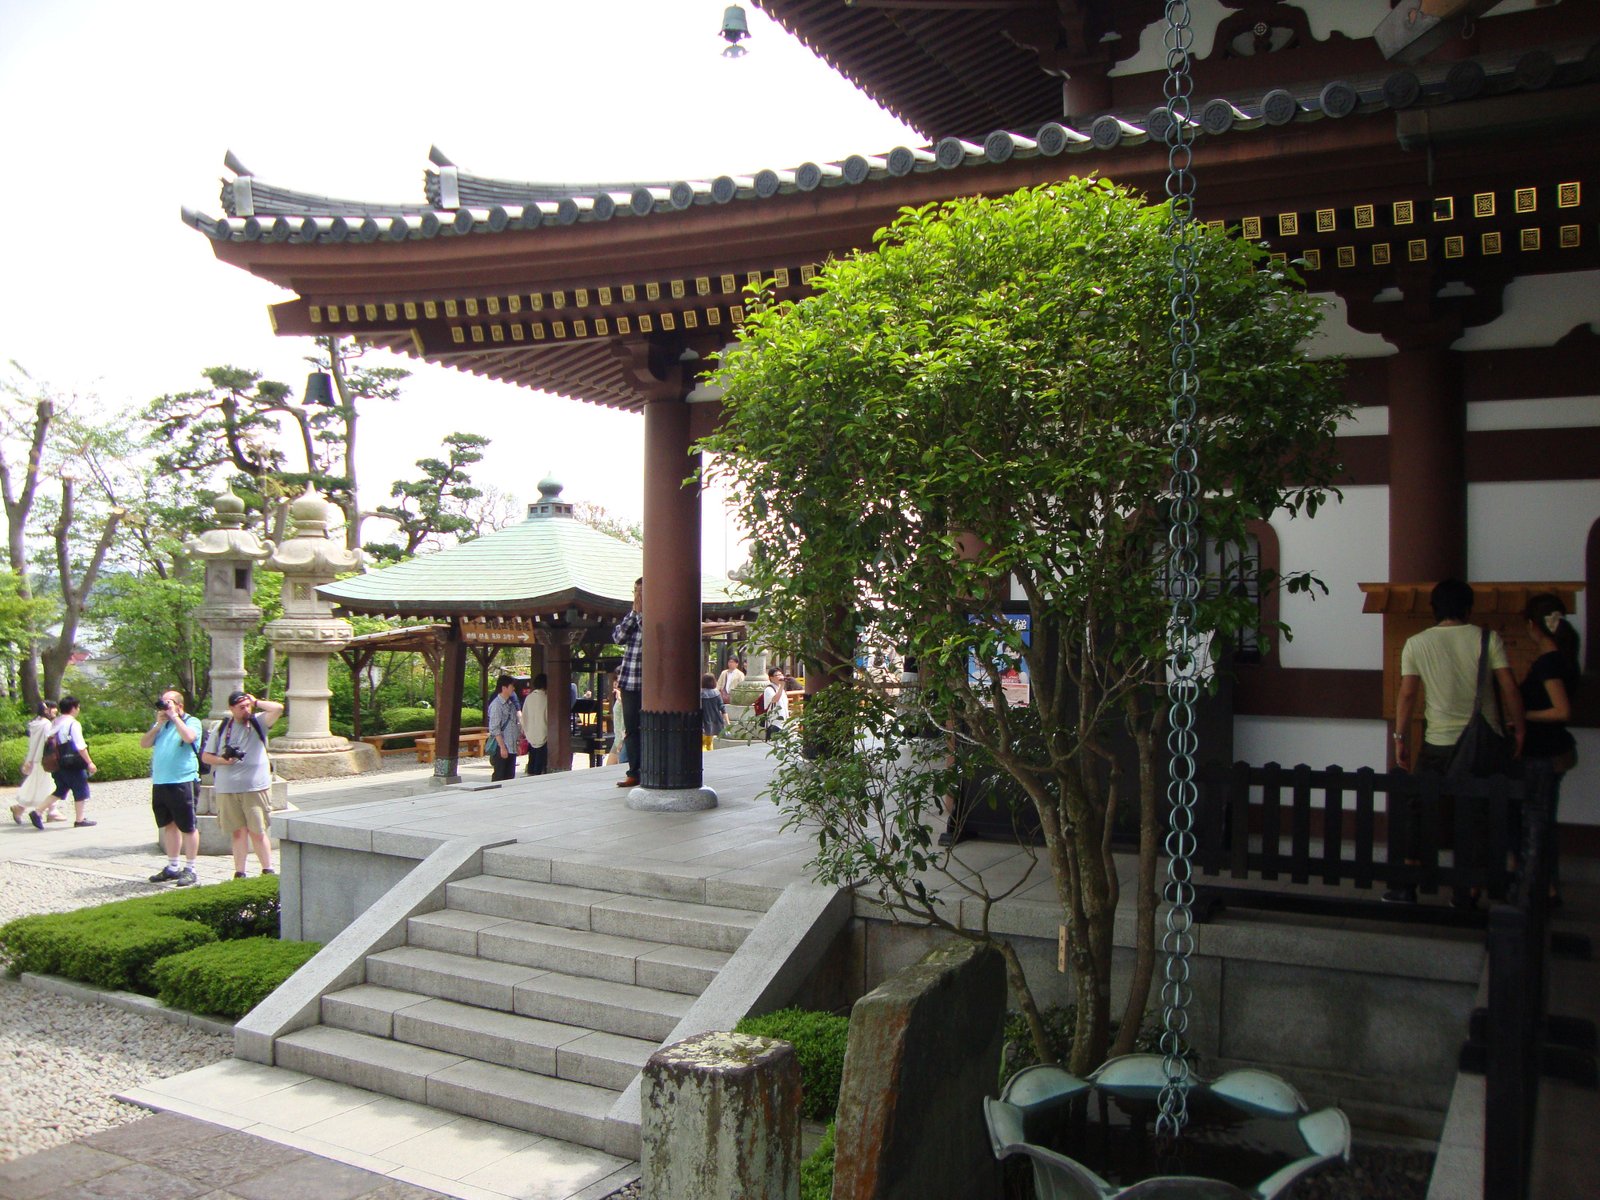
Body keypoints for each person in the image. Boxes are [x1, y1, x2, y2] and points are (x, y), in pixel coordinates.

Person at [1389, 579, 1524, 904]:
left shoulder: (1416, 643)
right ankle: (1470, 889)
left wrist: (1400, 737)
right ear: (1468, 607)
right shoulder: (1487, 639)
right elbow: (1508, 686)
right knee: (1479, 813)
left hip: (1437, 741)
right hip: (1482, 740)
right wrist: (1519, 728)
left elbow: (1407, 695)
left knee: (1419, 809)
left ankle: (1408, 883)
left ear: (1434, 609)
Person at [1518, 593, 1580, 905]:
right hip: (1554, 750)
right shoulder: (1565, 658)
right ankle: (1546, 885)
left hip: (1542, 750)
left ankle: (1537, 887)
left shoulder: (1548, 663)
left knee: (1534, 821)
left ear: (1533, 626)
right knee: (1542, 820)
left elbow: (1561, 710)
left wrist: (1521, 715)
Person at [202, 690, 284, 878]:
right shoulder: (221, 727)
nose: (246, 710)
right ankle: (240, 872)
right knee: (237, 832)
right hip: (228, 788)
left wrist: (255, 701)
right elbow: (206, 756)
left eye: (247, 706)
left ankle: (267, 869)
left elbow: (278, 708)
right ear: (231, 709)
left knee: (258, 830)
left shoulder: (258, 722)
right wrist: (224, 760)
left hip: (255, 788)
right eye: (241, 707)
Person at [141, 689, 204, 886]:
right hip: (161, 782)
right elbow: (144, 743)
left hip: (182, 780)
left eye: (169, 703)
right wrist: (159, 723)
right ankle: (173, 866)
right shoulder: (162, 725)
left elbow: (189, 738)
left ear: (179, 705)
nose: (165, 707)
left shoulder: (191, 721)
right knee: (168, 825)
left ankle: (191, 868)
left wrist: (175, 718)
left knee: (188, 826)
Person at [44, 696, 97, 829]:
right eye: (78, 707)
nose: (78, 709)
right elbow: (80, 746)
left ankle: (37, 811)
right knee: (81, 788)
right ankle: (79, 819)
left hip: (58, 762)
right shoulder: (73, 724)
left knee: (61, 788)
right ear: (73, 708)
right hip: (72, 762)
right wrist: (89, 762)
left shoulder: (55, 723)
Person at [613, 578, 643, 787]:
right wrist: (635, 612)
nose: (638, 596)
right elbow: (618, 637)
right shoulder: (631, 617)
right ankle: (634, 771)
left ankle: (648, 769)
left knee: (651, 726)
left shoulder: (659, 613)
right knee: (631, 728)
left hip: (651, 681)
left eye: (641, 592)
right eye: (636, 592)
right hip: (630, 681)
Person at [11, 702, 58, 826]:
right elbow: (48, 743)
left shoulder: (36, 724)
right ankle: (50, 811)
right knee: (46, 785)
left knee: (39, 785)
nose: (55, 711)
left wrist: (29, 760)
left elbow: (33, 745)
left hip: (37, 760)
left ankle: (23, 808)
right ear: (47, 710)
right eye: (53, 709)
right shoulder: (47, 725)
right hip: (44, 760)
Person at [486, 673, 521, 782]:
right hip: (501, 746)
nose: (513, 689)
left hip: (511, 746)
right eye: (511, 686)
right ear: (504, 688)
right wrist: (502, 747)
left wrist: (517, 743)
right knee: (500, 776)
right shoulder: (496, 705)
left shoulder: (510, 704)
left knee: (509, 777)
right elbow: (495, 729)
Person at [521, 673, 550, 776]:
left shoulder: (529, 698)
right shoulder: (546, 699)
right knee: (540, 763)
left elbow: (524, 716)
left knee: (532, 760)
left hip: (531, 735)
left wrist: (526, 731)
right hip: (544, 734)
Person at [759, 667, 789, 741]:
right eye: (777, 675)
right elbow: (775, 699)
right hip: (774, 723)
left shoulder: (781, 689)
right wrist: (782, 686)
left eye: (781, 674)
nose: (780, 676)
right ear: (771, 678)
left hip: (784, 723)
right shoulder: (769, 689)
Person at [700, 673, 726, 751]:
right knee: (709, 742)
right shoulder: (716, 693)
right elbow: (722, 707)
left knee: (702, 742)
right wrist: (727, 721)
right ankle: (709, 754)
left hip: (702, 720)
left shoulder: (700, 693)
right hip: (713, 720)